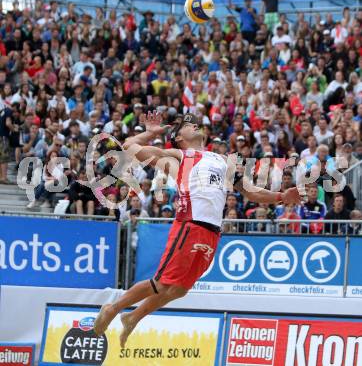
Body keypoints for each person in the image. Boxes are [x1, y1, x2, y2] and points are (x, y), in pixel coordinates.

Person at [94, 112, 300, 346]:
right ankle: (112, 308)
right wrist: (150, 133)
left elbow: (251, 191)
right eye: (188, 125)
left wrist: (281, 196)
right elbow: (130, 146)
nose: (194, 125)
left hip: (212, 232)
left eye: (194, 123)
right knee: (162, 283)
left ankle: (132, 317)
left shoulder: (221, 161)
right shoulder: (178, 157)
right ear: (179, 137)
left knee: (179, 290)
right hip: (189, 224)